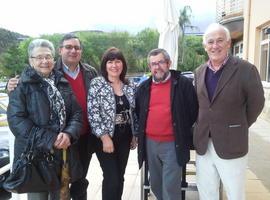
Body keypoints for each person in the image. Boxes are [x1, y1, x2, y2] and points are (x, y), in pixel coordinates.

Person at [7, 33, 98, 200]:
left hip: (61, 154)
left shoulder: (61, 82)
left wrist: (69, 133)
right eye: (39, 57)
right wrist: (51, 139)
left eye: (48, 57)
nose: (44, 61)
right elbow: (17, 122)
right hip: (35, 157)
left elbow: (76, 112)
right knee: (38, 196)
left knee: (60, 195)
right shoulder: (21, 86)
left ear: (53, 59)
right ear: (30, 60)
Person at [193, 23, 265, 200]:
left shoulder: (246, 69)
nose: (214, 46)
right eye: (210, 42)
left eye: (219, 41)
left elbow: (256, 103)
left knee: (234, 193)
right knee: (207, 191)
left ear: (228, 43)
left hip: (232, 143)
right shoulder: (199, 71)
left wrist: (238, 125)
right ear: (205, 46)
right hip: (204, 144)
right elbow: (200, 104)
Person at [135, 48, 198, 200]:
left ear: (169, 63)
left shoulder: (183, 84)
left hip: (173, 143)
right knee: (156, 184)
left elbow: (193, 110)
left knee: (170, 186)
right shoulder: (144, 88)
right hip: (150, 143)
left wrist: (180, 129)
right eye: (153, 64)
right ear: (150, 67)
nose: (157, 67)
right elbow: (139, 112)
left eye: (161, 62)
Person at [87, 47, 137, 200]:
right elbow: (93, 113)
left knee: (120, 176)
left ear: (123, 64)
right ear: (105, 65)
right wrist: (104, 137)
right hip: (105, 138)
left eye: (117, 61)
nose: (114, 65)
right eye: (110, 62)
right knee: (112, 177)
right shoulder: (97, 84)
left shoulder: (129, 87)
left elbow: (135, 113)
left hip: (125, 136)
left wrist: (135, 134)